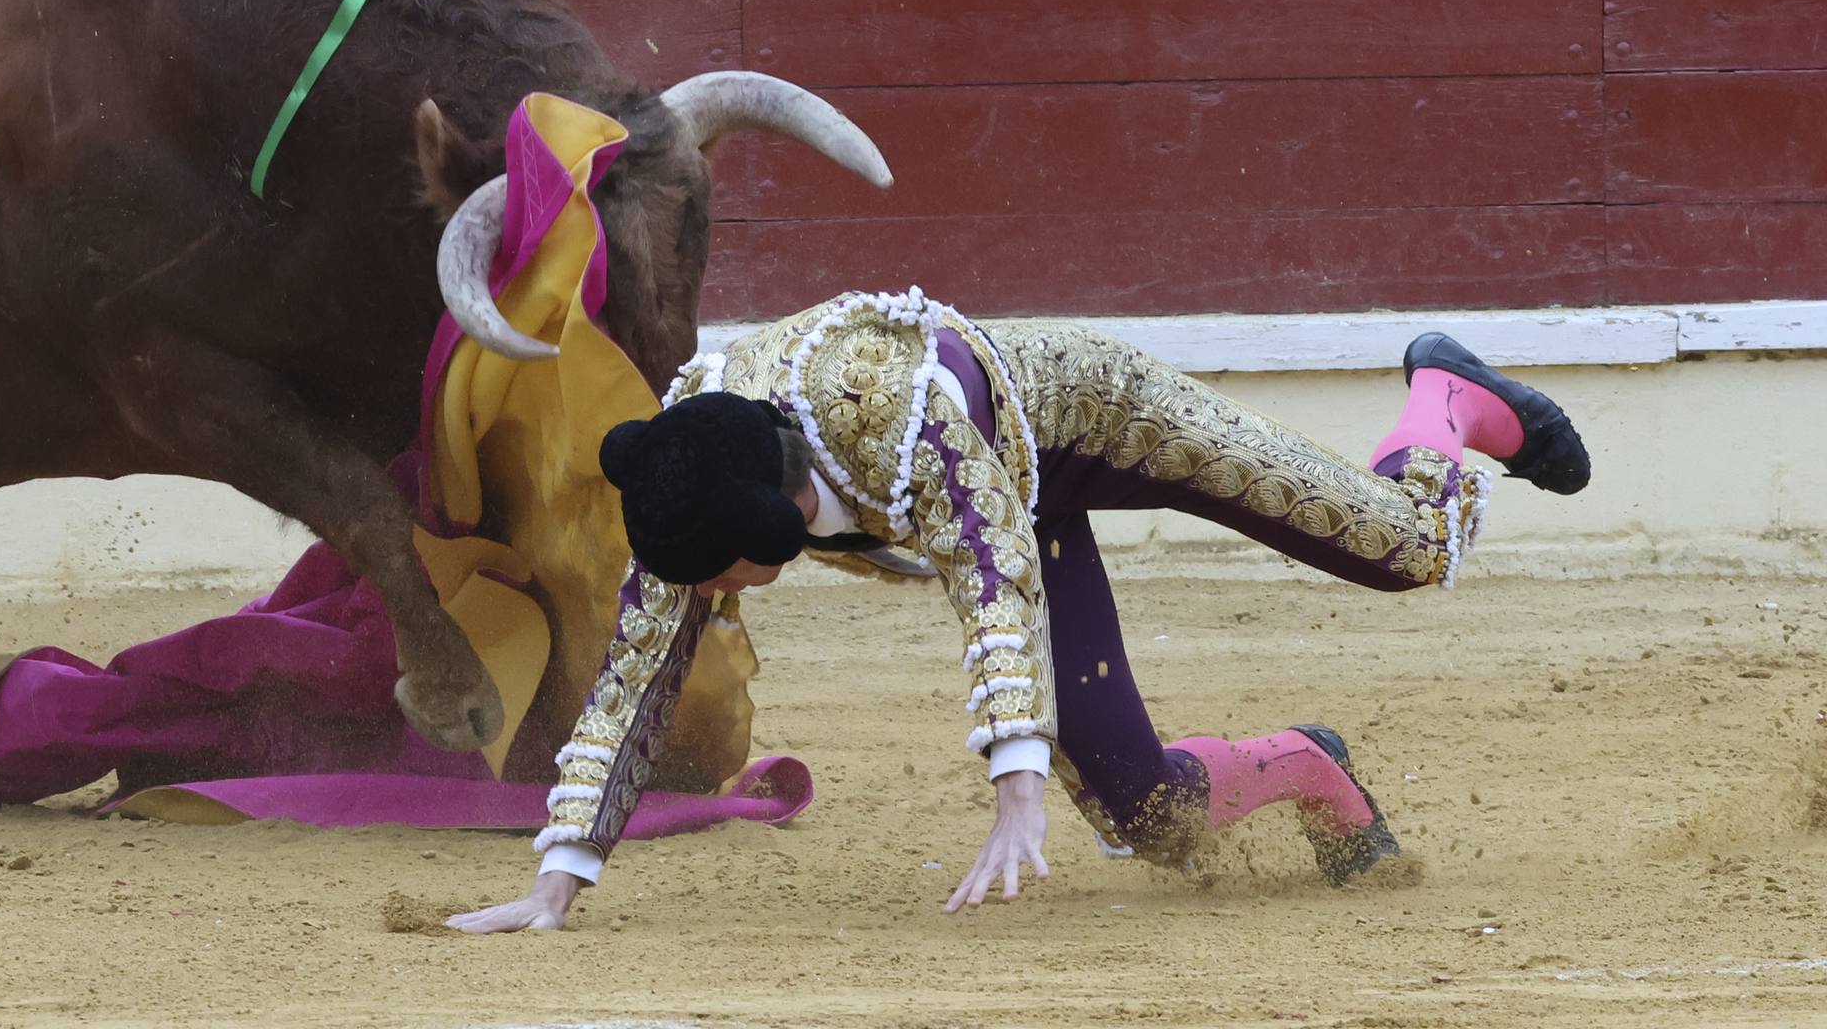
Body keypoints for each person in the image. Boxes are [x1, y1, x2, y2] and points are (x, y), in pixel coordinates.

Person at [447, 287, 1594, 932]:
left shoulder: (895, 421)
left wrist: (1016, 785)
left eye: (720, 586)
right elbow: (638, 664)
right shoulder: (693, 460)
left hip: (1096, 418)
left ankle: (1445, 397)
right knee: (1148, 817)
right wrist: (563, 873)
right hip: (1000, 499)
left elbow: (992, 578)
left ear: (772, 532)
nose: (708, 606)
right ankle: (1311, 768)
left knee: (1404, 548)